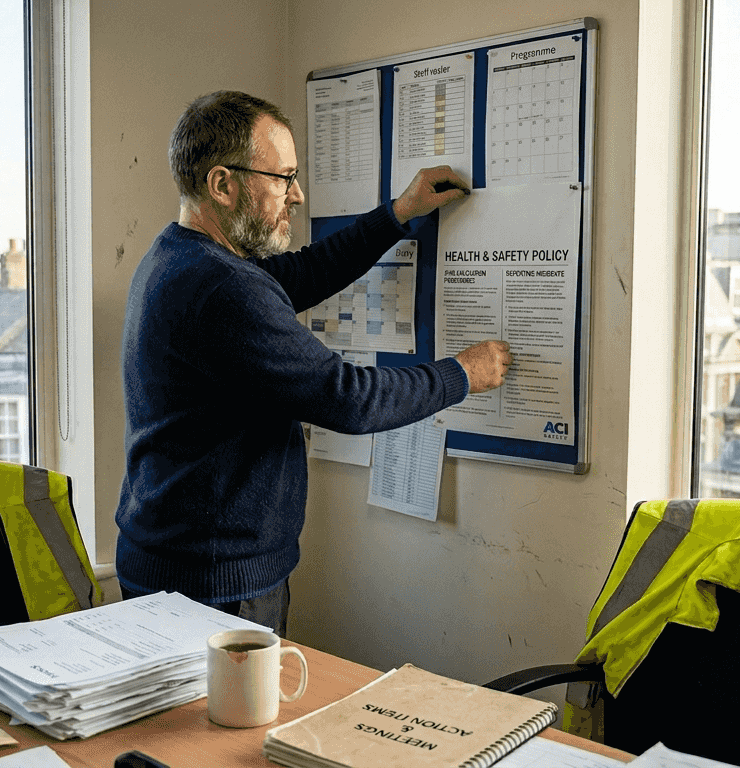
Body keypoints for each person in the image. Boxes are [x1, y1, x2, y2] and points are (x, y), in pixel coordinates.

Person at [117, 90, 511, 635]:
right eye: (282, 178)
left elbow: (300, 276)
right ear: (222, 184)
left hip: (175, 564)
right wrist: (462, 374)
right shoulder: (222, 287)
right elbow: (350, 398)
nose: (297, 195)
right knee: (231, 723)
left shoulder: (178, 258)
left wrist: (398, 214)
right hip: (215, 589)